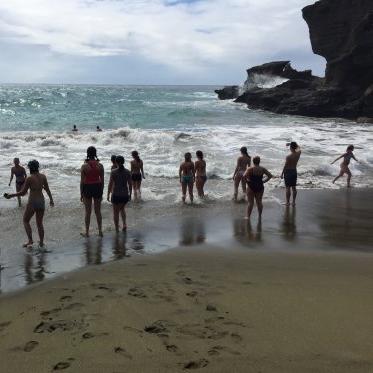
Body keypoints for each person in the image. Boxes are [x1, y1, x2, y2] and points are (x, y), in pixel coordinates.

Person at [4, 160, 54, 248]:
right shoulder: (43, 177)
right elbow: (47, 189)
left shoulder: (29, 178)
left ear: (30, 168)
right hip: (41, 201)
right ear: (37, 167)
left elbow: (23, 193)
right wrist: (51, 200)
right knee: (40, 223)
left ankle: (30, 240)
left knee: (26, 220)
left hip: (32, 202)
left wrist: (11, 195)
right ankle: (41, 242)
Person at [80, 146, 104, 237]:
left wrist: (81, 193)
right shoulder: (100, 165)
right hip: (97, 187)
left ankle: (87, 232)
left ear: (87, 153)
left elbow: (82, 182)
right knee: (98, 211)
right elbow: (102, 181)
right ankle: (100, 231)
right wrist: (101, 192)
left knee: (88, 212)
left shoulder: (84, 166)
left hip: (87, 188)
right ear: (95, 153)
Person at [107, 156, 132, 232]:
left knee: (116, 212)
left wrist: (108, 194)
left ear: (116, 162)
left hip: (116, 195)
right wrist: (130, 194)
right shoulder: (127, 172)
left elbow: (110, 184)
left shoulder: (113, 172)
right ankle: (124, 224)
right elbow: (130, 185)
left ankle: (117, 229)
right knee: (122, 209)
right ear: (123, 162)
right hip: (124, 195)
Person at [281, 142, 301, 206]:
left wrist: (282, 173)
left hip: (288, 172)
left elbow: (285, 166)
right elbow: (299, 147)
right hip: (294, 171)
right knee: (294, 188)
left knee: (288, 188)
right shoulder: (298, 153)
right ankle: (294, 202)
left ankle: (287, 202)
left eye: (290, 147)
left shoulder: (288, 156)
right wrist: (291, 143)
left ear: (291, 148)